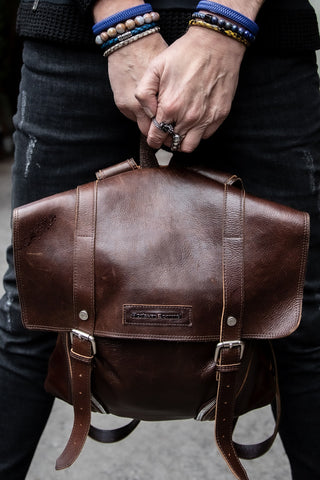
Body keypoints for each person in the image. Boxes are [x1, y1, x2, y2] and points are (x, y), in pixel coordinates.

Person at [0, 0, 319, 478]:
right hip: (76, 36)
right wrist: (121, 23)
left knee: (303, 313)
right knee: (29, 308)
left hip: (261, 39)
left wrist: (224, 27)